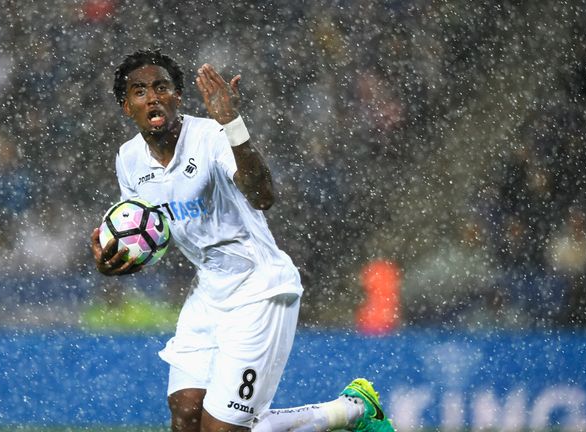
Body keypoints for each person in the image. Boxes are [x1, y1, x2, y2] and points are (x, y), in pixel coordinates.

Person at [90, 48, 395, 432]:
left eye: (162, 87)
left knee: (224, 430)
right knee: (185, 415)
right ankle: (347, 410)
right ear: (125, 106)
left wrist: (233, 124)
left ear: (178, 97)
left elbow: (263, 195)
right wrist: (114, 259)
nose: (153, 97)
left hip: (259, 290)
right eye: (139, 91)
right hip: (207, 294)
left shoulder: (213, 138)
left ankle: (351, 411)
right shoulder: (128, 159)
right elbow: (143, 229)